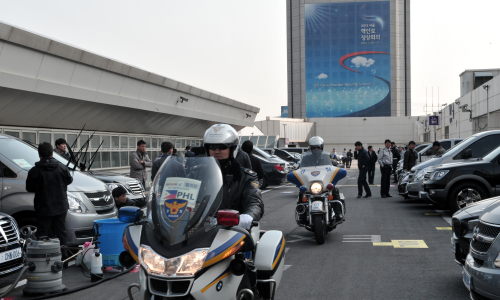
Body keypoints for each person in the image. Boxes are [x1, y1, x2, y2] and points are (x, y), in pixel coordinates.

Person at [203, 124, 263, 229]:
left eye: (222, 147)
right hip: (199, 231)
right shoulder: (197, 174)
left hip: (233, 230)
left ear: (233, 149)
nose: (217, 151)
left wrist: (246, 217)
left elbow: (254, 201)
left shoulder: (245, 177)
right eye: (212, 147)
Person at [26, 142, 73, 259]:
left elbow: (29, 188)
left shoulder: (34, 171)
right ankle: (64, 259)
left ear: (39, 154)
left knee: (43, 234)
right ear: (52, 153)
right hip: (61, 206)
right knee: (61, 233)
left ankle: (45, 259)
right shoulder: (62, 167)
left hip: (43, 207)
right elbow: (69, 180)